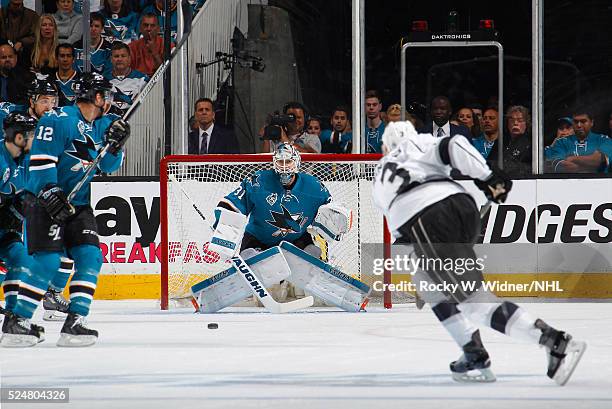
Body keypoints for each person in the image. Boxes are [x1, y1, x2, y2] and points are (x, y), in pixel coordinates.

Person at [372, 120, 586, 385]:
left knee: (475, 304)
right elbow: (454, 145)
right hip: (460, 206)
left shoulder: (382, 170)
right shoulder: (422, 142)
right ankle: (473, 353)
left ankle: (555, 341)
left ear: (385, 146)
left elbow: (402, 225)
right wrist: (488, 176)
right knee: (428, 283)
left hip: (427, 220)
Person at [12, 72, 129, 347]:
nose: (110, 100)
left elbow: (109, 167)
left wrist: (117, 145)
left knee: (90, 257)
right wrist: (50, 191)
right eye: (106, 94)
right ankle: (17, 321)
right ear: (97, 97)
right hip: (44, 201)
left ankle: (75, 322)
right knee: (49, 262)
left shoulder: (105, 125)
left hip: (79, 204)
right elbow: (41, 159)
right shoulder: (57, 119)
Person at [192, 143, 360, 311]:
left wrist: (337, 222)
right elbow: (231, 204)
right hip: (259, 239)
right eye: (280, 162)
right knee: (249, 257)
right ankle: (269, 286)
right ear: (274, 162)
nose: (285, 167)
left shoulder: (314, 187)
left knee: (313, 254)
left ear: (297, 162)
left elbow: (330, 213)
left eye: (289, 162)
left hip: (296, 240)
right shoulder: (258, 181)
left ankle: (301, 285)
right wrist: (223, 228)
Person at [0, 113, 41, 329]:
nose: (35, 140)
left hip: (5, 230)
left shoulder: (27, 160)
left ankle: (12, 319)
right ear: (18, 138)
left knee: (22, 260)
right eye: (31, 135)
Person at [545, 110, 612, 173]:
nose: (579, 125)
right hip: (568, 184)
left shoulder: (603, 140)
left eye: (583, 121)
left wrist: (571, 158)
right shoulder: (561, 142)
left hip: (600, 184)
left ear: (591, 123)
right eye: (576, 122)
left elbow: (597, 160)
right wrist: (590, 165)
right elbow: (561, 166)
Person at [104, 42, 148, 117]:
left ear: (129, 58)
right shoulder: (103, 79)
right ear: (111, 59)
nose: (119, 59)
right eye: (116, 56)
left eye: (123, 56)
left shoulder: (142, 79)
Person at [488, 105, 532, 175]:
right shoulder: (500, 142)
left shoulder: (531, 144)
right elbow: (490, 162)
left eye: (520, 120)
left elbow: (531, 168)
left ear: (526, 124)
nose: (515, 123)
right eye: (512, 120)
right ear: (508, 123)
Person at [128, 12, 165, 76]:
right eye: (145, 25)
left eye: (152, 26)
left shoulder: (166, 45)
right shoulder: (132, 47)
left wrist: (155, 53)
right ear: (140, 28)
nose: (148, 29)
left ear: (158, 28)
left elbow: (166, 72)